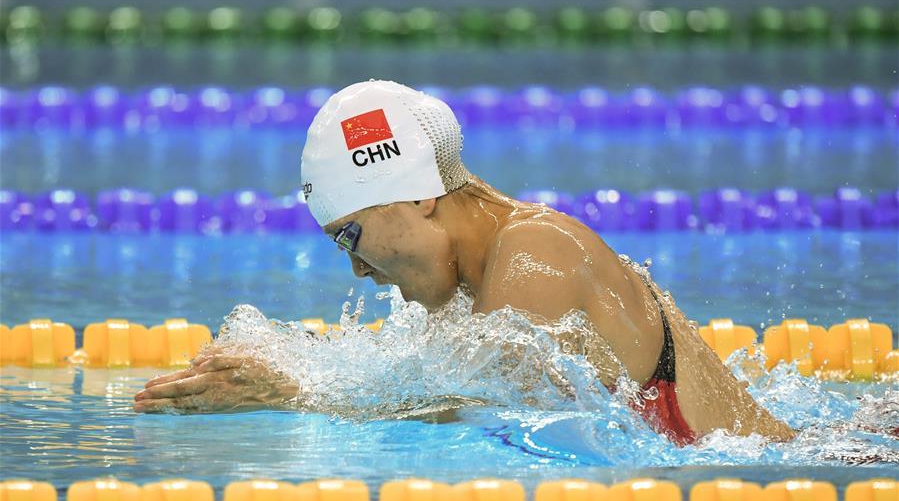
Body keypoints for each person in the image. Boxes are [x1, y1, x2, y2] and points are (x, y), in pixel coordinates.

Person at [134, 80, 795, 445]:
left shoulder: (537, 251)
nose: (358, 270)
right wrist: (284, 359)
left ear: (419, 194)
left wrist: (292, 393)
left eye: (350, 235)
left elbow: (489, 406)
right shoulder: (471, 292)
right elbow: (416, 386)